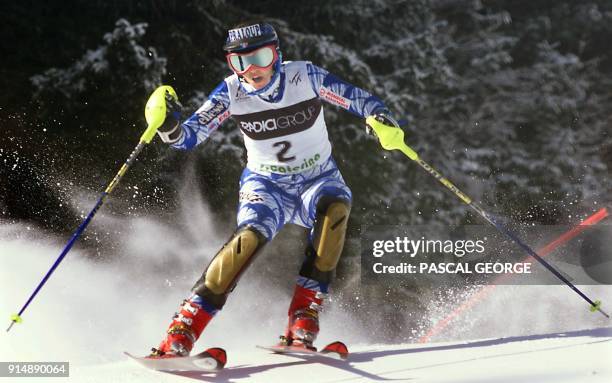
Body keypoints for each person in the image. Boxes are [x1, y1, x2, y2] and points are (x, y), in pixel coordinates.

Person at [150, 21, 395, 358]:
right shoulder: (230, 92)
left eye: (260, 57)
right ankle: (184, 328)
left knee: (335, 210)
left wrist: (379, 118)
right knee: (249, 239)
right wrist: (169, 126)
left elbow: (357, 98)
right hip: (266, 184)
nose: (251, 70)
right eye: (239, 63)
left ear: (276, 54)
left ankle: (302, 320)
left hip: (317, 178)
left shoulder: (304, 76)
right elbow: (189, 137)